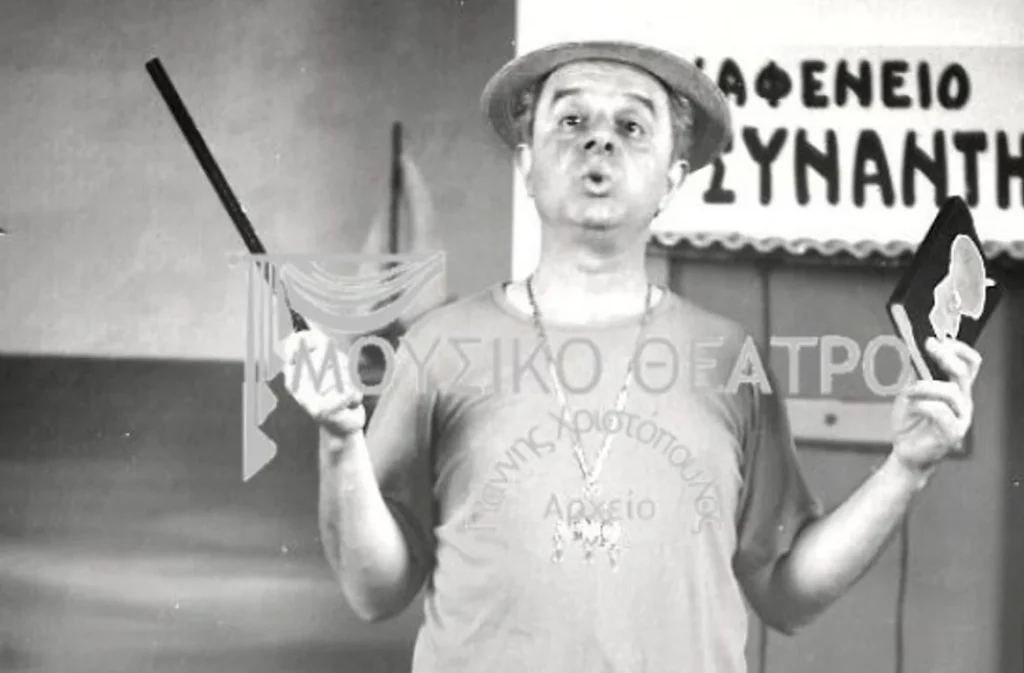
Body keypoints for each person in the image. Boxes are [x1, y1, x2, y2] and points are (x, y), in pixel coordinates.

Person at [282, 39, 982, 673]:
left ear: (672, 181)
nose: (600, 141)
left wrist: (906, 467)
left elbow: (787, 591)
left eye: (632, 125)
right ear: (526, 165)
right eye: (571, 120)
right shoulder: (438, 345)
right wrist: (340, 441)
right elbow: (374, 590)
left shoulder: (729, 358)